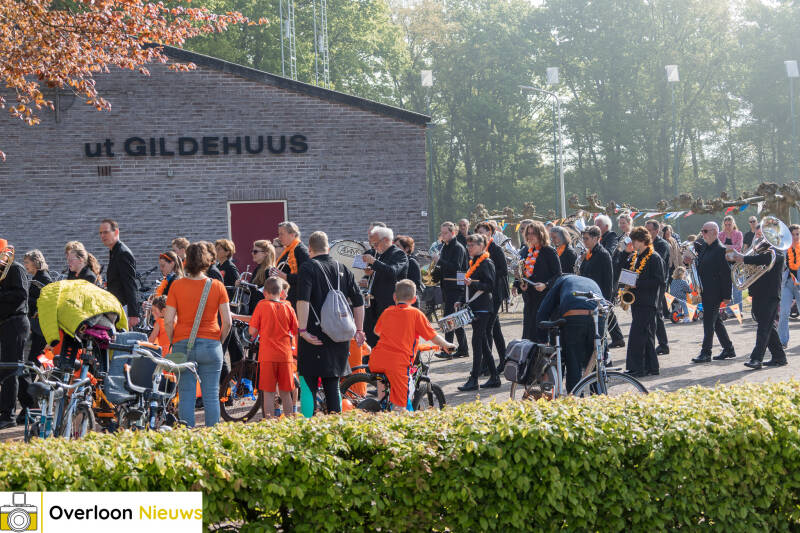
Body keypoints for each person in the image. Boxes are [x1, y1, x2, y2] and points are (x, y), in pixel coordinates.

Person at [295, 231, 365, 417]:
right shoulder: (342, 268)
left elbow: (303, 301)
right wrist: (359, 329)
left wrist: (302, 330)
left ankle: (308, 426)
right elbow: (358, 301)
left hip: (313, 335)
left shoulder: (308, 267)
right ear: (328, 248)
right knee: (333, 384)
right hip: (339, 335)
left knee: (307, 382)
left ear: (309, 249)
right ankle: (336, 426)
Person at [164, 242, 231, 427]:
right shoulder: (217, 286)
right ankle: (212, 438)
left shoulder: (176, 286)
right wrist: (219, 341)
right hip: (211, 344)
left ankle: (187, 438)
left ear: (186, 261)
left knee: (186, 394)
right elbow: (228, 322)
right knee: (211, 394)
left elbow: (168, 320)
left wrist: (175, 339)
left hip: (183, 343)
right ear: (207, 261)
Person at [369, 280, 455, 410]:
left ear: (394, 297)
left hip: (377, 359)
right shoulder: (415, 314)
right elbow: (432, 336)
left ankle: (380, 407)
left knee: (383, 387)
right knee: (401, 406)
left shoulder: (387, 311)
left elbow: (377, 331)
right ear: (414, 299)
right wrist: (446, 344)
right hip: (398, 363)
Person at [537, 274, 604, 392]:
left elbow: (543, 310)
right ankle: (599, 398)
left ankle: (575, 402)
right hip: (598, 316)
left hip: (574, 315)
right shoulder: (591, 280)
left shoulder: (561, 281)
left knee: (573, 362)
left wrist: (543, 340)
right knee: (595, 364)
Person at [730, 244, 787, 369]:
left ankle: (756, 359)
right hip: (758, 294)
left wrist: (744, 258)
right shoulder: (759, 254)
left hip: (770, 295)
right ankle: (779, 357)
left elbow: (766, 259)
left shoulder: (777, 254)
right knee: (767, 326)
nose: (760, 237)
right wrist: (745, 258)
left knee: (763, 328)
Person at [249, 276, 298, 417]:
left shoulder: (262, 305)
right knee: (286, 392)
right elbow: (295, 330)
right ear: (281, 292)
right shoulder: (288, 308)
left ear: (265, 292)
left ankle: (269, 423)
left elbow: (252, 331)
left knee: (269, 392)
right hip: (285, 355)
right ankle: (289, 422)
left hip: (267, 355)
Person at [457, 234, 499, 391]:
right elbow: (468, 284)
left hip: (484, 307)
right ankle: (494, 377)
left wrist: (473, 284)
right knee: (482, 342)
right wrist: (460, 300)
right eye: (468, 245)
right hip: (475, 306)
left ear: (482, 246)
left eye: (472, 245)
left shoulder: (486, 262)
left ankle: (474, 379)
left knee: (477, 342)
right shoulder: (473, 262)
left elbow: (490, 285)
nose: (469, 248)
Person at [690, 222, 736, 363]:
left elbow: (726, 274)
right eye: (702, 231)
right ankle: (728, 348)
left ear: (715, 232)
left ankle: (706, 352)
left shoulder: (721, 250)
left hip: (715, 291)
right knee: (715, 322)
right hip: (705, 289)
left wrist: (727, 296)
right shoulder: (705, 247)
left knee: (709, 322)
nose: (702, 234)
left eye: (705, 231)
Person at [623, 227, 665, 377]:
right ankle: (652, 367)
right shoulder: (636, 257)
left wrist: (637, 283)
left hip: (648, 302)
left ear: (642, 241)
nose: (633, 243)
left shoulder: (654, 257)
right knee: (646, 336)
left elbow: (659, 281)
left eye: (635, 240)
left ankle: (639, 368)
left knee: (638, 335)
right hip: (638, 301)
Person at [0, 239, 30, 428]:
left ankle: (9, 415)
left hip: (15, 323)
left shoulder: (16, 269)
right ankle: (26, 407)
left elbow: (21, 295)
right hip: (5, 324)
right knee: (13, 369)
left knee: (11, 369)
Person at [361, 226, 408, 347]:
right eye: (373, 245)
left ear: (386, 240)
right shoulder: (379, 254)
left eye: (376, 244)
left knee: (390, 338)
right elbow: (381, 273)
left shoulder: (399, 254)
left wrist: (374, 263)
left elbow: (392, 272)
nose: (374, 247)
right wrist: (369, 275)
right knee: (372, 337)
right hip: (375, 303)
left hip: (389, 303)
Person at [516, 221, 561, 341]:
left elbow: (558, 275)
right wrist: (522, 284)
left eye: (533, 233)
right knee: (528, 331)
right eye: (528, 233)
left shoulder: (549, 251)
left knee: (540, 332)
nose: (530, 236)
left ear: (541, 234)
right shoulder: (527, 251)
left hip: (544, 298)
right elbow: (525, 274)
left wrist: (546, 285)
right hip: (530, 298)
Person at [433, 222, 469, 358]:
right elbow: (444, 267)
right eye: (442, 233)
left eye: (445, 233)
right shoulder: (444, 247)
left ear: (453, 233)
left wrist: (439, 261)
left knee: (450, 318)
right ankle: (463, 348)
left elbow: (456, 267)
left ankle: (447, 350)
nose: (443, 235)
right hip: (446, 286)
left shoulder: (458, 248)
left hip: (456, 287)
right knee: (455, 319)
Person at [475, 222, 508, 369]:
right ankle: (503, 359)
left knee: (488, 328)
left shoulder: (496, 249)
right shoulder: (479, 251)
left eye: (482, 232)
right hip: (485, 292)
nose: (480, 235)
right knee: (495, 328)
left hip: (495, 292)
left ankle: (487, 364)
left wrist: (489, 274)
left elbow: (504, 270)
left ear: (490, 233)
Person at [100, 219, 140, 327]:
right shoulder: (114, 252)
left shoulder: (122, 253)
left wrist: (133, 314)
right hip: (117, 307)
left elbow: (130, 284)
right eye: (101, 233)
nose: (102, 235)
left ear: (116, 232)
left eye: (106, 232)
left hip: (124, 308)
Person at [271, 221, 310, 308]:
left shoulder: (301, 250)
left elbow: (306, 277)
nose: (279, 237)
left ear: (292, 234)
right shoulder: (288, 250)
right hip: (287, 296)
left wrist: (285, 276)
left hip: (297, 298)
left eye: (282, 234)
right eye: (279, 234)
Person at [23, 250, 52, 365]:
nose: (25, 265)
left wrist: (26, 299)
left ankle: (40, 379)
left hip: (42, 326)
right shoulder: (38, 276)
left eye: (27, 262)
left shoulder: (44, 277)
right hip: (37, 325)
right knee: (36, 357)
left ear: (35, 262)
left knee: (36, 358)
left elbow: (48, 301)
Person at [645, 219, 669, 354]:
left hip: (659, 283)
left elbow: (657, 260)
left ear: (656, 230)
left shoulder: (662, 244)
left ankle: (663, 344)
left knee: (657, 313)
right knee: (656, 313)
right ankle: (662, 344)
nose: (647, 233)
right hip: (649, 283)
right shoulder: (646, 243)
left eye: (649, 230)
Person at [608, 213, 632, 349]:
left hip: (628, 272)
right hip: (618, 272)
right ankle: (617, 337)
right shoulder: (619, 237)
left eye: (624, 222)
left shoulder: (632, 236)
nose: (622, 225)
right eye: (620, 223)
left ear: (629, 222)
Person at [578, 226, 614, 302]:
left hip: (598, 297)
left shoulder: (603, 254)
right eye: (583, 238)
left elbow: (608, 281)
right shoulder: (588, 253)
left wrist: (606, 302)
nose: (584, 241)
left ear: (595, 238)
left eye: (586, 238)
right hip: (588, 294)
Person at [778, 224, 800, 348]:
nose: (796, 237)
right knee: (784, 312)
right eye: (793, 234)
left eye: (798, 234)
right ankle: (782, 341)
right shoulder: (783, 249)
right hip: (786, 284)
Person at [720, 215, 744, 317]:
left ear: (733, 224)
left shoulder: (738, 234)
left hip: (737, 263)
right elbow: (719, 247)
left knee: (737, 288)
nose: (728, 226)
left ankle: (738, 311)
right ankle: (730, 311)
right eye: (726, 225)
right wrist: (729, 248)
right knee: (727, 288)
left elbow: (739, 247)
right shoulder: (720, 235)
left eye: (729, 224)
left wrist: (727, 247)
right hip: (725, 264)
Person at [243, 240, 275, 315]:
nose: (252, 254)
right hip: (255, 309)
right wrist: (243, 285)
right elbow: (253, 291)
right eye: (252, 251)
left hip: (263, 311)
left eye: (255, 251)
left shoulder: (269, 271)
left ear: (265, 253)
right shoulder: (258, 269)